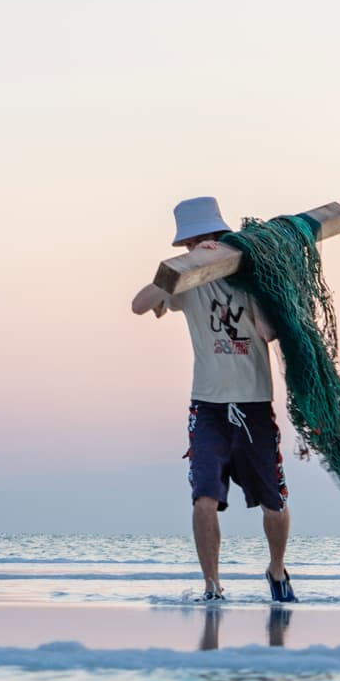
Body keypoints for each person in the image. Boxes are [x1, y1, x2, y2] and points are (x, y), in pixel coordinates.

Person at [132, 195, 296, 604]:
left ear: (221, 235)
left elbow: (268, 331)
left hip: (254, 404)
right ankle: (211, 586)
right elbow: (139, 305)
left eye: (200, 240)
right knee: (204, 498)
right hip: (206, 407)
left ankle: (277, 570)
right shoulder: (186, 283)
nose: (195, 246)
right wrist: (183, 267)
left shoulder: (254, 275)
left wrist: (249, 282)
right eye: (189, 244)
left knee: (273, 502)